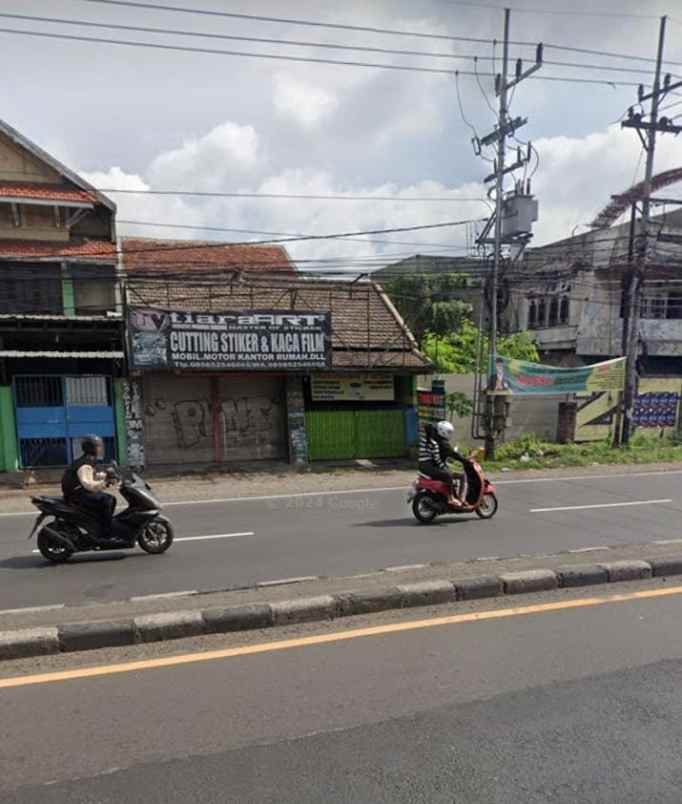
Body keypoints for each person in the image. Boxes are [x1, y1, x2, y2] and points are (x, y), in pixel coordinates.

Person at [62, 435, 116, 535]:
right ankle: (105, 530)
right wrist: (105, 483)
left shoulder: (89, 460)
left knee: (104, 498)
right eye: (98, 446)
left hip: (78, 493)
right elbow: (88, 484)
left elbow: (95, 475)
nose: (101, 448)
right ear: (91, 448)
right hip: (77, 496)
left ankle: (98, 523)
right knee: (108, 500)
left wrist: (108, 476)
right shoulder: (85, 464)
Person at [418, 420, 467, 505]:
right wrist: (445, 468)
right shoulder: (435, 444)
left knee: (449, 473)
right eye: (449, 432)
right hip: (429, 467)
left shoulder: (423, 441)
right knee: (449, 475)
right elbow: (437, 459)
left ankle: (450, 496)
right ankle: (451, 498)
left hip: (423, 466)